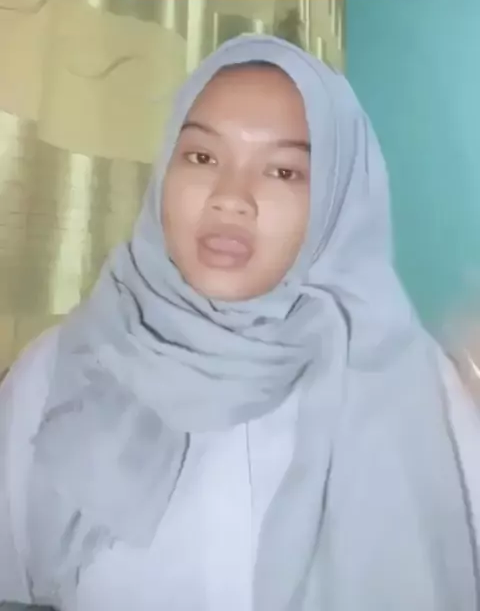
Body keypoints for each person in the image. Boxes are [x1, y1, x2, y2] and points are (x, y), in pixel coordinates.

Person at [1, 33, 480, 611]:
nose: (231, 198)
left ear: (334, 197)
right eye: (202, 158)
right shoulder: (61, 370)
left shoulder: (414, 387)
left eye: (282, 171)